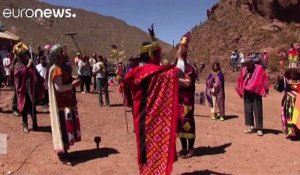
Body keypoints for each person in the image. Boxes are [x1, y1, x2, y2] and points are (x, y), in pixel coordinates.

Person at [121, 25, 179, 175]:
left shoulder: (134, 73)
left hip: (140, 119)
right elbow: (175, 70)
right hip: (154, 120)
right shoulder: (158, 73)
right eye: (157, 54)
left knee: (144, 151)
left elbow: (125, 86)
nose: (160, 57)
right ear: (152, 56)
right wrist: (182, 50)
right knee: (157, 149)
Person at [48, 44, 81, 166]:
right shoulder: (56, 69)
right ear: (57, 55)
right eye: (61, 52)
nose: (64, 54)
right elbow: (59, 88)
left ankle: (65, 151)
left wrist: (72, 79)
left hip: (66, 102)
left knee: (66, 129)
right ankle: (62, 155)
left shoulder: (60, 68)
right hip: (61, 103)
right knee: (62, 127)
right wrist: (73, 85)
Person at [13, 42, 44, 133]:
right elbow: (19, 74)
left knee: (33, 107)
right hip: (23, 91)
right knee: (24, 108)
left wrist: (40, 79)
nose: (26, 56)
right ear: (20, 56)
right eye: (24, 54)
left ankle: (35, 124)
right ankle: (25, 125)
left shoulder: (29, 62)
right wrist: (27, 67)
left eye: (26, 54)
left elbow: (35, 73)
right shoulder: (18, 65)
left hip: (31, 89)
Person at [176, 32, 197, 159]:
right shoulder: (176, 66)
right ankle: (183, 147)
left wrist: (174, 80)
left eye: (181, 49)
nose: (179, 51)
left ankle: (191, 149)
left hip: (187, 101)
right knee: (179, 124)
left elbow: (188, 83)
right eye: (179, 48)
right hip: (177, 100)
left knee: (187, 124)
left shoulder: (189, 68)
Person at [236, 58, 270, 136]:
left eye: (248, 63)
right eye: (245, 64)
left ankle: (259, 128)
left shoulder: (259, 68)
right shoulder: (244, 70)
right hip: (247, 92)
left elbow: (263, 78)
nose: (247, 65)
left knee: (257, 110)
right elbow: (241, 79)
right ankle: (251, 126)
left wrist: (264, 87)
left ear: (252, 63)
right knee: (248, 110)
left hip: (256, 92)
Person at [275, 68, 300, 139]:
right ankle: (292, 132)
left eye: (295, 71)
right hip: (289, 102)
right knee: (290, 117)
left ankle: (298, 132)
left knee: (298, 117)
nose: (293, 73)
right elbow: (279, 89)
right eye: (291, 71)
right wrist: (279, 81)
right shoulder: (285, 80)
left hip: (299, 102)